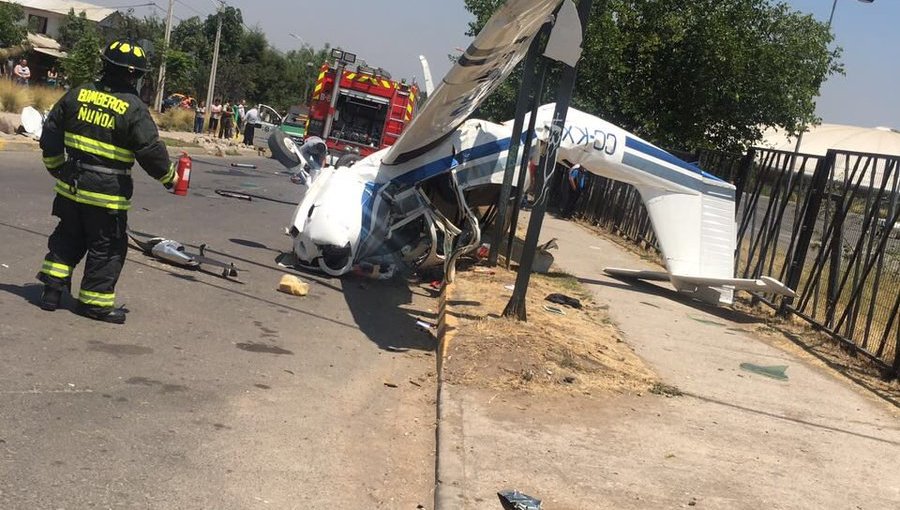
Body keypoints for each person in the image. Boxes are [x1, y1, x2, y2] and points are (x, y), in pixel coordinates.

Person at [36, 39, 178, 324]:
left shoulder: (78, 94)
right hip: (106, 198)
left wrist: (57, 167)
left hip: (70, 188)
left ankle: (51, 291)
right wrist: (170, 178)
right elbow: (150, 151)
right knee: (107, 249)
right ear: (135, 75)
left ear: (105, 65)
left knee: (67, 236)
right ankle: (94, 305)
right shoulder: (133, 108)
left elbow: (51, 131)